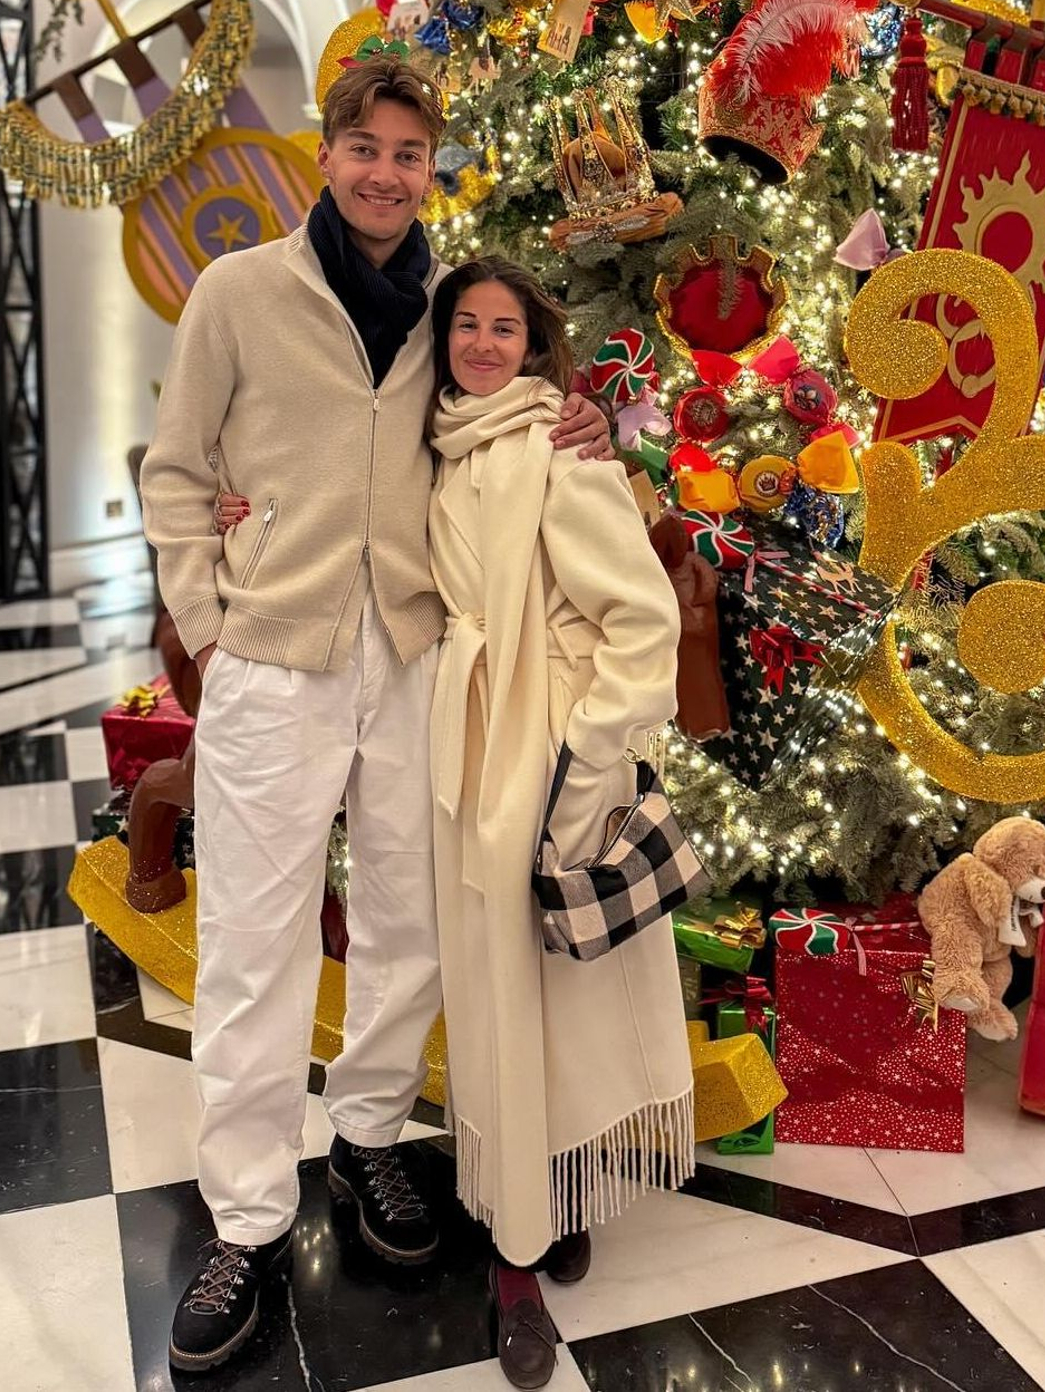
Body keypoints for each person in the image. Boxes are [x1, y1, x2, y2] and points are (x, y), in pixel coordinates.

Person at [139, 60, 609, 1375]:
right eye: (366, 145)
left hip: (413, 654)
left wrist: (578, 418)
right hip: (276, 659)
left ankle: (368, 1134)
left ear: (429, 165)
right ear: (328, 150)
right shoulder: (240, 293)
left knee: (409, 913)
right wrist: (214, 625)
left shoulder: (454, 307)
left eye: (410, 150)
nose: (387, 170)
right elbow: (178, 472)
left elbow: (513, 400)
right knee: (252, 931)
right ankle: (241, 1218)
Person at [428, 257, 695, 1390]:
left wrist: (586, 761)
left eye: (506, 328)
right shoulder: (438, 447)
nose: (485, 345)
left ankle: (524, 1252)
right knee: (497, 994)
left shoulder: (554, 447)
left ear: (534, 345)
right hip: (466, 742)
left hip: (542, 747)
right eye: (467, 325)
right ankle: (535, 1199)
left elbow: (640, 619)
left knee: (556, 989)